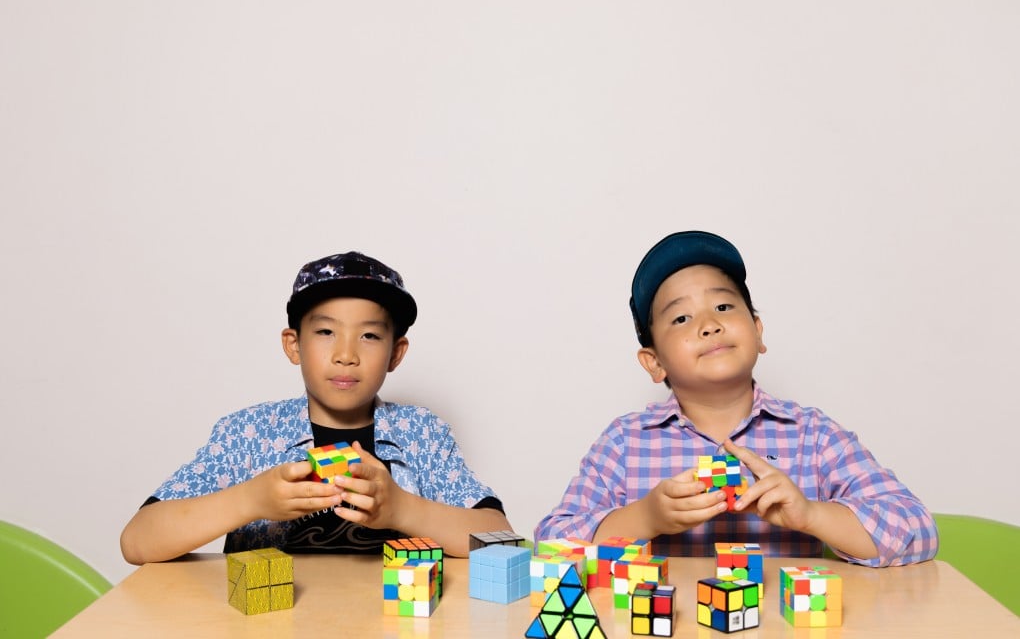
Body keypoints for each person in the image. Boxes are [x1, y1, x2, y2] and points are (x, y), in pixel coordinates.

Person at [535, 231, 938, 567]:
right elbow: (551, 544)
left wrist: (812, 514)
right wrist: (645, 517)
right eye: (681, 318)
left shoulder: (813, 435)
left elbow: (917, 530)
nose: (709, 324)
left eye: (724, 306)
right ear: (654, 363)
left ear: (758, 332)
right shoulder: (624, 442)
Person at [121, 251, 512, 563]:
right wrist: (251, 500)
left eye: (369, 335)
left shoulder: (422, 433)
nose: (346, 354)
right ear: (294, 345)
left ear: (396, 353)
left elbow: (500, 539)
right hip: (269, 625)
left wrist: (403, 509)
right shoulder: (248, 433)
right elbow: (137, 541)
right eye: (326, 332)